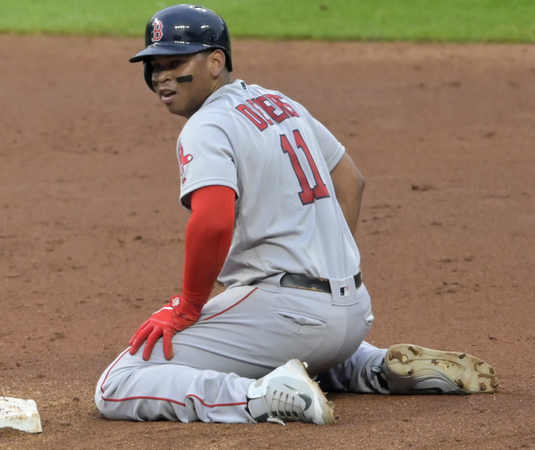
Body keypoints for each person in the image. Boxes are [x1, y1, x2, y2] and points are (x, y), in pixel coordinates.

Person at [94, 4, 499, 424]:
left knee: (119, 382)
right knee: (288, 330)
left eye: (175, 62)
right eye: (154, 65)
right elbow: (350, 181)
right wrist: (331, 265)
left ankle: (260, 395)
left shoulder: (207, 125)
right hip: (354, 313)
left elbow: (213, 221)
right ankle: (371, 367)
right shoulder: (279, 104)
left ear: (216, 62)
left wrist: (188, 306)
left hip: (287, 316)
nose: (161, 75)